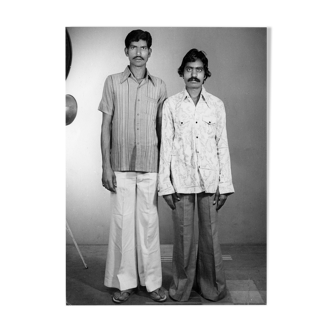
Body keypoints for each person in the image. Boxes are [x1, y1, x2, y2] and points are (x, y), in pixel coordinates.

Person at [158, 49, 235, 302]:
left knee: (210, 238)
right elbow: (165, 147)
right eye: (189, 69)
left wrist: (224, 185)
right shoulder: (171, 105)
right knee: (183, 239)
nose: (194, 74)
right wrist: (165, 186)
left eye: (199, 69)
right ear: (182, 72)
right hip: (180, 181)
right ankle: (181, 288)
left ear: (205, 74)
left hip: (210, 181)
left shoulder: (216, 105)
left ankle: (212, 286)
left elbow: (222, 144)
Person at [98, 30, 167, 303]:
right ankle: (123, 283)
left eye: (144, 47)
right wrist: (105, 166)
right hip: (121, 165)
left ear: (150, 52)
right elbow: (105, 127)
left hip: (150, 165)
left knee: (149, 227)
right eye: (134, 47)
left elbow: (163, 130)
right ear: (126, 51)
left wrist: (165, 169)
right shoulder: (112, 82)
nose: (139, 52)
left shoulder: (159, 85)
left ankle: (152, 284)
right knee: (122, 226)